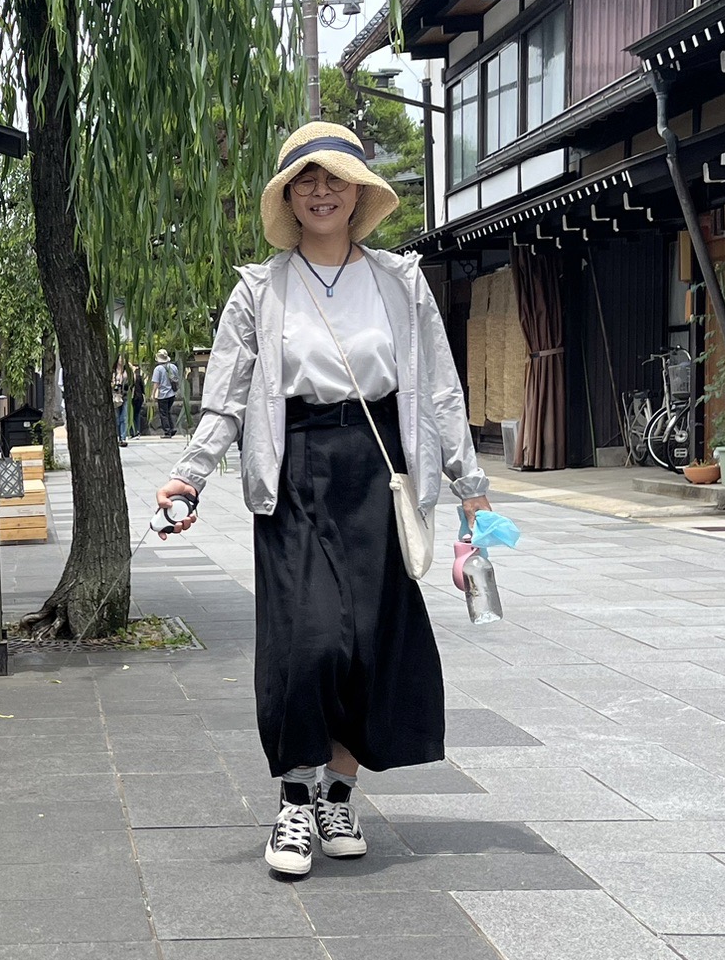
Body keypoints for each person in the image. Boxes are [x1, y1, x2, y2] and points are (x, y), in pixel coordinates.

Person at [156, 121, 491, 881]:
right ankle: (293, 801)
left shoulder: (401, 283)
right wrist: (191, 474)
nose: (320, 191)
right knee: (307, 643)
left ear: (360, 193)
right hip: (296, 465)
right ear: (287, 195)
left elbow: (439, 389)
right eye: (305, 179)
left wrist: (473, 492)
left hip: (380, 468)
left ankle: (339, 792)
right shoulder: (259, 288)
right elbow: (227, 400)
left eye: (335, 178)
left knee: (369, 646)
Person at [153, 349, 181, 438]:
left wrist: (153, 393)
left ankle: (167, 431)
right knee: (168, 412)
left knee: (163, 413)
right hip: (172, 393)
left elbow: (156, 383)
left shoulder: (158, 369)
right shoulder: (173, 367)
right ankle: (172, 428)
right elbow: (177, 378)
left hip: (163, 394)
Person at [112, 361, 130, 445]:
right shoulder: (113, 372)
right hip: (115, 397)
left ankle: (123, 438)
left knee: (124, 417)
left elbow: (131, 383)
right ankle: (117, 437)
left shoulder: (127, 372)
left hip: (124, 396)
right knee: (117, 418)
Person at [128, 362, 148, 438]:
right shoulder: (138, 376)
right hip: (139, 397)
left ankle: (133, 431)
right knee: (136, 414)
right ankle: (137, 431)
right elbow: (143, 388)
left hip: (133, 397)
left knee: (132, 414)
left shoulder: (130, 378)